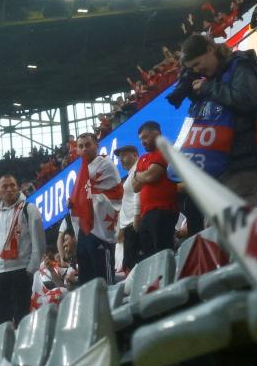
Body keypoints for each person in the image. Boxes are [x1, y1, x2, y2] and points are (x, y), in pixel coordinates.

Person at [178, 34, 257, 207]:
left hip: (242, 161)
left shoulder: (240, 65)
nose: (197, 70)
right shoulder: (214, 77)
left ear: (210, 50)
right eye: (192, 68)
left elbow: (245, 100)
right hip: (223, 164)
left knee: (232, 227)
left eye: (197, 64)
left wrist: (208, 87)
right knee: (219, 228)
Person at [0, 174, 44, 326]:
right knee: (1, 324)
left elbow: (39, 244)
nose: (9, 189)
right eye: (5, 186)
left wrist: (30, 271)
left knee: (22, 321)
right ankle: (6, 350)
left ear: (18, 188)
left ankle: (23, 350)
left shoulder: (29, 210)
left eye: (13, 185)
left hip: (19, 271)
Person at [64, 132, 123, 284]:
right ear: (77, 150)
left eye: (88, 145)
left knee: (102, 277)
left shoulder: (104, 163)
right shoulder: (83, 170)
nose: (84, 149)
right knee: (86, 278)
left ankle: (109, 306)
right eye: (81, 146)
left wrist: (79, 198)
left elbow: (100, 191)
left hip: (100, 229)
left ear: (97, 145)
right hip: (86, 229)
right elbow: (84, 194)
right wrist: (74, 202)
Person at [133, 121, 179, 257]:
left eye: (145, 137)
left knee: (163, 253)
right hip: (146, 214)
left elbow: (151, 176)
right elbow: (135, 187)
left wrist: (139, 175)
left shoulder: (164, 151)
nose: (143, 142)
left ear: (157, 134)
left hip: (163, 210)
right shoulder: (143, 158)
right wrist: (143, 175)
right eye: (141, 139)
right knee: (150, 257)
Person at [115, 144, 141, 273]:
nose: (121, 159)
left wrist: (136, 219)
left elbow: (139, 194)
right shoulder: (131, 174)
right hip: (128, 227)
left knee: (134, 267)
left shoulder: (138, 169)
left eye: (124, 155)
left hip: (134, 224)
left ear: (135, 155)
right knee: (129, 266)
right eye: (120, 157)